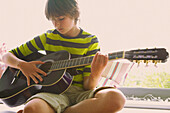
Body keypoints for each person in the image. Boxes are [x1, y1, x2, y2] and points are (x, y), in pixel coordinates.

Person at [2, 0, 126, 113]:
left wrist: (96, 73)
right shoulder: (47, 38)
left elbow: (89, 86)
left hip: (81, 94)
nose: (56, 24)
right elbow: (6, 56)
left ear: (75, 14)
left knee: (117, 99)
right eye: (52, 20)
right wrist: (22, 65)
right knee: (31, 108)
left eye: (61, 19)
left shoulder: (90, 41)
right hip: (52, 95)